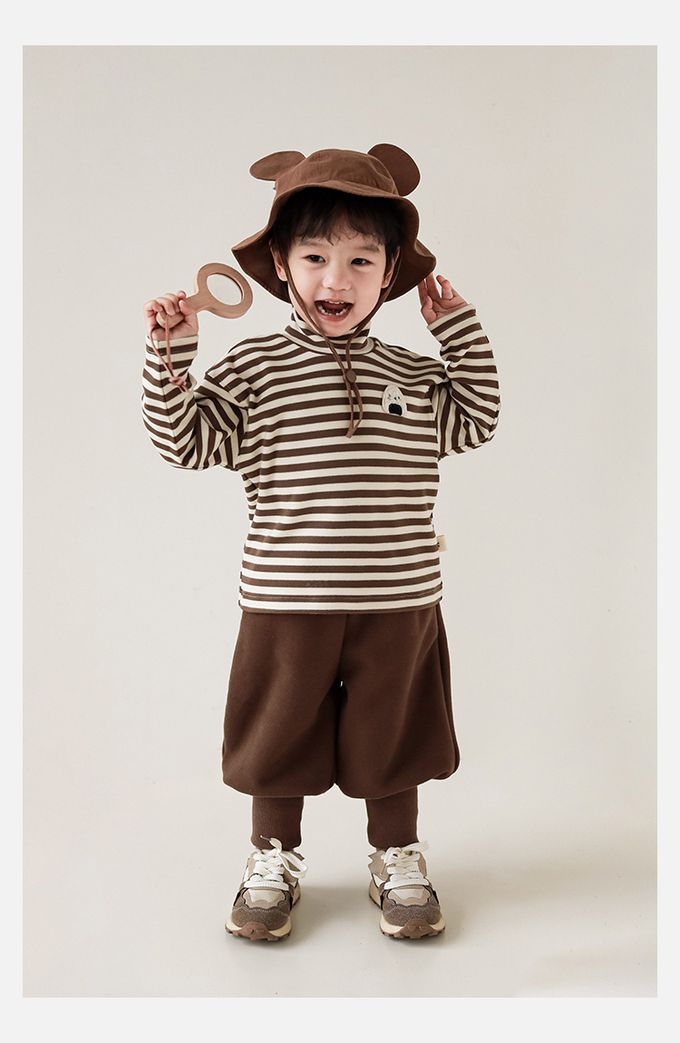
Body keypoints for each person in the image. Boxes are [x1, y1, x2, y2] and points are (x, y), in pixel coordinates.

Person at [141, 144, 501, 942]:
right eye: (314, 257)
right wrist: (172, 353)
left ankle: (397, 855)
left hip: (398, 600)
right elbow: (185, 442)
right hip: (286, 599)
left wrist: (457, 330)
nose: (336, 280)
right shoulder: (255, 370)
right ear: (280, 264)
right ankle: (271, 858)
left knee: (393, 732)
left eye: (360, 260)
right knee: (278, 732)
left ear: (390, 271)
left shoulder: (414, 376)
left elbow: (476, 418)